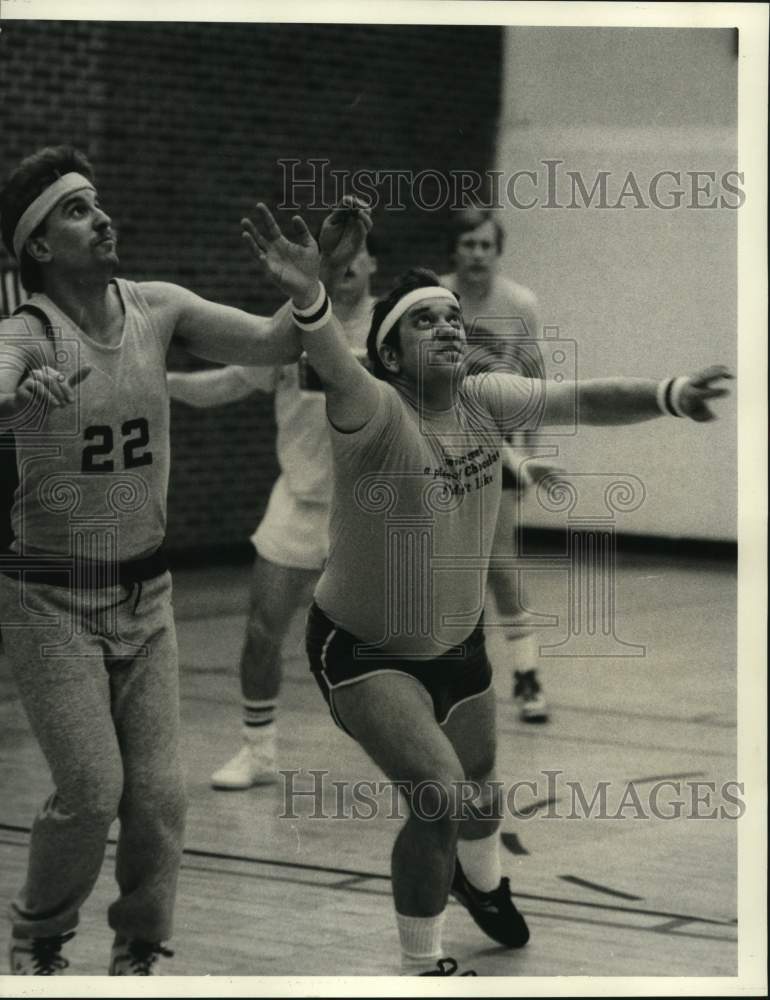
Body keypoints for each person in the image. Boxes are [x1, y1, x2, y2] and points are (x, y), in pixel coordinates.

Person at [241, 200, 731, 975]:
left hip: (458, 644)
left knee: (481, 794)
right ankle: (421, 961)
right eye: (425, 321)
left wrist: (669, 393)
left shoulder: (482, 398)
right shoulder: (371, 409)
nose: (448, 326)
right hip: (367, 652)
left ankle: (485, 887)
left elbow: (585, 399)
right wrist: (309, 294)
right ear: (392, 355)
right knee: (439, 797)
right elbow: (331, 357)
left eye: (451, 317)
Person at [0, 145, 308, 976]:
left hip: (148, 596)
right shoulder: (26, 333)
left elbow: (279, 345)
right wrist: (15, 396)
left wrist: (308, 291)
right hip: (49, 600)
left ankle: (137, 951)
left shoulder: (158, 307)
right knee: (93, 790)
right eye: (75, 210)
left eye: (97, 202)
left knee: (161, 798)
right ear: (37, 248)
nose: (101, 218)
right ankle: (38, 940)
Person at [167, 236, 377, 789]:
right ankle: (258, 753)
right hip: (299, 502)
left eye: (359, 252)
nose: (349, 263)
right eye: (339, 253)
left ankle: (429, 757)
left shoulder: (392, 328)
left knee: (406, 642)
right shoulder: (292, 328)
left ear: (374, 262)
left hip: (372, 511)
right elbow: (229, 383)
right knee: (262, 631)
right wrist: (157, 384)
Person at [441, 207, 549, 723]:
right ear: (455, 249)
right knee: (443, 565)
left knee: (499, 563)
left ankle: (527, 675)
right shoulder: (435, 299)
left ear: (497, 251)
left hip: (496, 445)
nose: (478, 254)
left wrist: (528, 454)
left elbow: (532, 383)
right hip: (438, 445)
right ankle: (447, 675)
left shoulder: (520, 304)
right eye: (469, 244)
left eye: (486, 245)